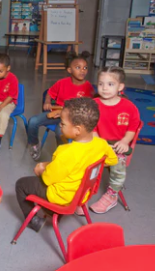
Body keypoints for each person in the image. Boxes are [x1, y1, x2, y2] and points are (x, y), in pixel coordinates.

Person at [15, 98, 118, 232]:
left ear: (77, 130)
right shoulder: (101, 144)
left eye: (62, 124)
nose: (60, 126)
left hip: (61, 197)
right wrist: (85, 164)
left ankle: (34, 220)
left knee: (21, 184)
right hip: (82, 195)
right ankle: (53, 212)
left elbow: (47, 179)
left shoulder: (65, 152)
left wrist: (42, 168)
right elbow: (112, 160)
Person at [88, 67, 141, 214]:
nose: (104, 88)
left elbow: (132, 128)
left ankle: (112, 195)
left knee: (118, 164)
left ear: (120, 87)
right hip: (98, 141)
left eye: (110, 84)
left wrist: (125, 141)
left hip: (119, 144)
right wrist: (99, 144)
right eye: (101, 84)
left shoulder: (129, 107)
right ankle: (79, 193)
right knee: (80, 159)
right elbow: (91, 127)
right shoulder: (94, 104)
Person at [27, 51, 94, 161]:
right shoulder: (62, 83)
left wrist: (67, 113)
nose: (83, 71)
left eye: (85, 68)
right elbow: (49, 92)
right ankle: (35, 145)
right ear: (69, 70)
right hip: (56, 114)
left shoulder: (88, 87)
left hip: (72, 119)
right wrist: (47, 101)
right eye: (78, 67)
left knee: (60, 132)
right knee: (33, 121)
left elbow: (87, 109)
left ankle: (61, 155)